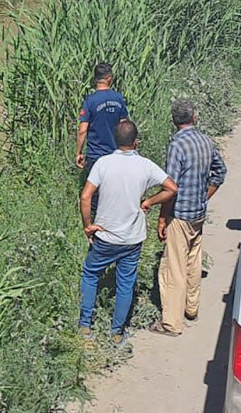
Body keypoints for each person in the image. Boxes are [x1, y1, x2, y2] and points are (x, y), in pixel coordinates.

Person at [79, 120, 178, 345]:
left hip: (105, 233)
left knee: (91, 274)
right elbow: (172, 188)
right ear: (136, 141)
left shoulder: (103, 163)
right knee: (125, 283)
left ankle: (85, 325)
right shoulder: (146, 165)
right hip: (132, 237)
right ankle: (117, 333)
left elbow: (86, 197)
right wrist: (150, 201)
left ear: (116, 140)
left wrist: (88, 225)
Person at [150, 99, 227, 337]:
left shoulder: (177, 146)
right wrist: (205, 196)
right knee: (193, 260)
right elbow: (220, 171)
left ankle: (171, 323)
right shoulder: (205, 141)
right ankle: (191, 308)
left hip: (180, 214)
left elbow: (170, 187)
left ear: (174, 121)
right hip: (198, 213)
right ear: (193, 117)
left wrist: (162, 218)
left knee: (173, 267)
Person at [76, 62, 128, 213]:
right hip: (115, 153)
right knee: (114, 192)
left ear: (95, 79)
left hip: (95, 155)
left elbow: (82, 130)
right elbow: (124, 125)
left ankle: (93, 225)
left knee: (94, 194)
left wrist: (78, 152)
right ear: (109, 79)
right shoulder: (118, 98)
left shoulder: (90, 100)